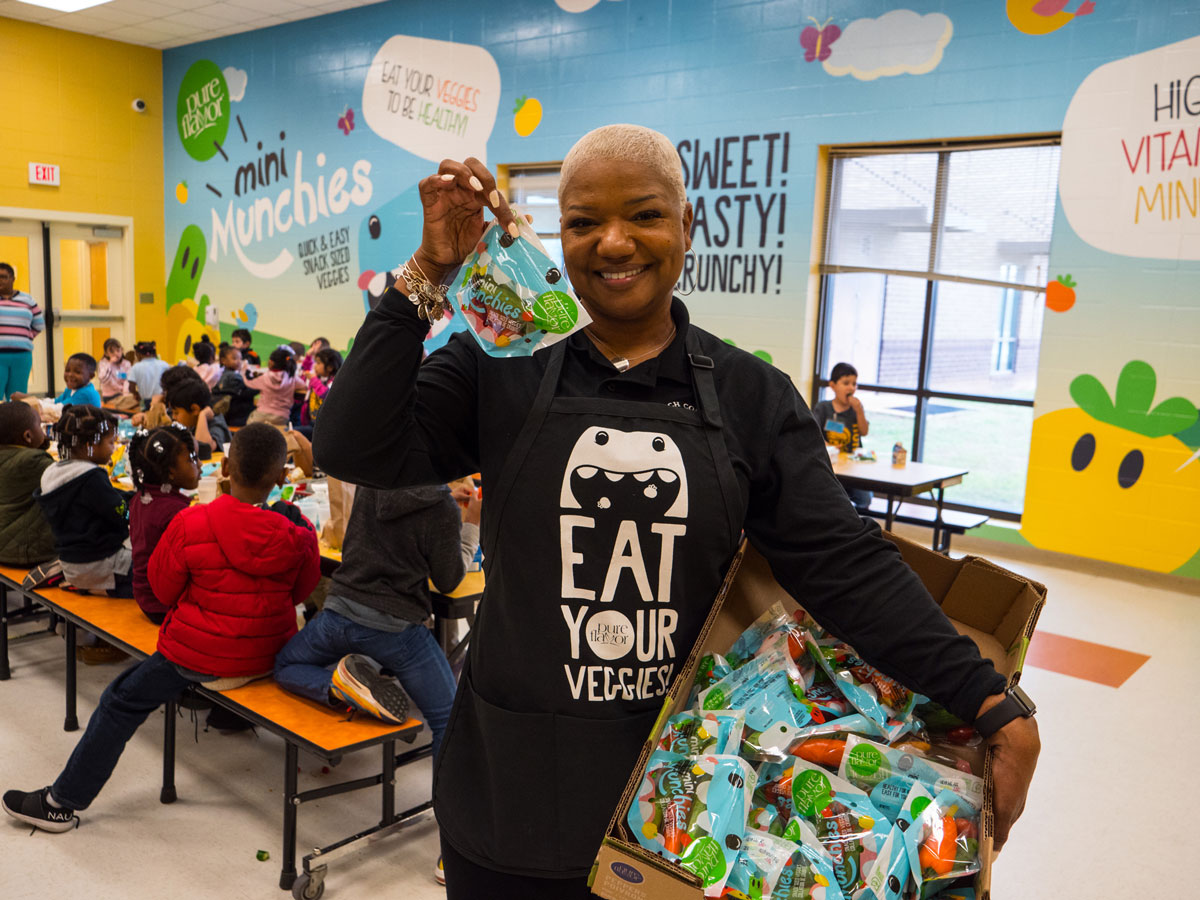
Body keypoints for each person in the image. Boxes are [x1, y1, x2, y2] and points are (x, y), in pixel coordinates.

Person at [312, 125, 1040, 897]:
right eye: (585, 222)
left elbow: (843, 562)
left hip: (686, 802)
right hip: (509, 797)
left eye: (645, 215)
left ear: (687, 226)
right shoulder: (503, 367)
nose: (614, 242)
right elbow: (353, 445)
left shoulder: (750, 397)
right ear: (561, 237)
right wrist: (428, 273)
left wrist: (990, 700)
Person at [2, 424, 321, 832]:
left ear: (223, 466)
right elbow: (302, 592)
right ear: (281, 478)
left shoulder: (191, 523)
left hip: (199, 656)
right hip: (267, 652)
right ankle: (227, 716)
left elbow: (163, 588)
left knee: (120, 700)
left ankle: (60, 803)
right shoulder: (298, 533)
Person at [274, 480, 481, 744]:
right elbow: (449, 580)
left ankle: (340, 685)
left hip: (339, 615)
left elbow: (403, 498)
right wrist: (471, 525)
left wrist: (440, 497)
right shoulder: (441, 508)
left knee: (285, 665)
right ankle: (447, 787)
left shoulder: (369, 480)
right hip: (397, 632)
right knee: (450, 719)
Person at [34, 405, 132, 598]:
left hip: (70, 562)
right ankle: (102, 589)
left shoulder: (53, 474)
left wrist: (124, 496)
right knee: (155, 571)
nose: (114, 449)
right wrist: (136, 507)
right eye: (111, 443)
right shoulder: (91, 478)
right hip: (102, 563)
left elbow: (104, 497)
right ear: (90, 446)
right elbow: (121, 514)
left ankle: (84, 584)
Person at [127, 424, 201, 623]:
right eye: (192, 459)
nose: (200, 464)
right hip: (165, 605)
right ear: (170, 472)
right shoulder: (174, 512)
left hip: (145, 597)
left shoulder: (140, 498)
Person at [0, 400, 56, 567]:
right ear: (28, 436)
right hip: (23, 551)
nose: (44, 430)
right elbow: (67, 480)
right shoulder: (33, 461)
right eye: (40, 425)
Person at [811, 361, 872, 511]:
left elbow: (864, 431)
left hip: (854, 466)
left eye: (854, 384)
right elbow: (813, 431)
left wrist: (859, 411)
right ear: (833, 385)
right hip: (832, 466)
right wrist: (828, 446)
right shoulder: (824, 408)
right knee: (833, 498)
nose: (851, 388)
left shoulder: (855, 410)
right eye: (846, 383)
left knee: (865, 498)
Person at [0, 262, 45, 401]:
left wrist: (23, 337)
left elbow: (39, 325)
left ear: (13, 279)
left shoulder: (27, 300)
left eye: (4, 277)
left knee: (17, 397)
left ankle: (16, 423)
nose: (0, 280)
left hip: (21, 357)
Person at [163, 372, 232, 458]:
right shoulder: (190, 423)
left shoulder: (216, 423)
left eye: (176, 413)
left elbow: (204, 448)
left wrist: (203, 415)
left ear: (195, 409)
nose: (173, 417)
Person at [244, 346, 299, 426]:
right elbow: (304, 387)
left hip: (261, 415)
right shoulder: (292, 378)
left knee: (249, 429)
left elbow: (248, 382)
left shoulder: (265, 377)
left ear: (270, 362)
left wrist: (244, 371)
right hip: (282, 417)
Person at [212, 345, 258, 427]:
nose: (239, 361)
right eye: (234, 358)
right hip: (236, 416)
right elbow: (244, 392)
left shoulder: (226, 374)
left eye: (240, 359)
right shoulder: (232, 376)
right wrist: (258, 387)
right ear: (223, 361)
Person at [301, 347, 341, 428]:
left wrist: (313, 379)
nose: (315, 366)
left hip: (322, 426)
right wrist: (308, 356)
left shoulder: (334, 382)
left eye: (318, 363)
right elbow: (304, 373)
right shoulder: (318, 377)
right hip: (310, 421)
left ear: (330, 367)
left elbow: (325, 394)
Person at [128, 342, 170, 410]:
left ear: (139, 354)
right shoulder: (164, 365)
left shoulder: (136, 367)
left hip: (146, 402)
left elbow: (131, 387)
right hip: (162, 401)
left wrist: (136, 394)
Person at [97, 339, 136, 411]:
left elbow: (127, 380)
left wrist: (125, 394)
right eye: (112, 352)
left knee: (139, 406)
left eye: (118, 351)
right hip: (110, 397)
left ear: (122, 350)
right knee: (138, 400)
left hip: (123, 396)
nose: (116, 354)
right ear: (106, 353)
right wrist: (110, 364)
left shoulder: (126, 363)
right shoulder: (103, 364)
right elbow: (104, 380)